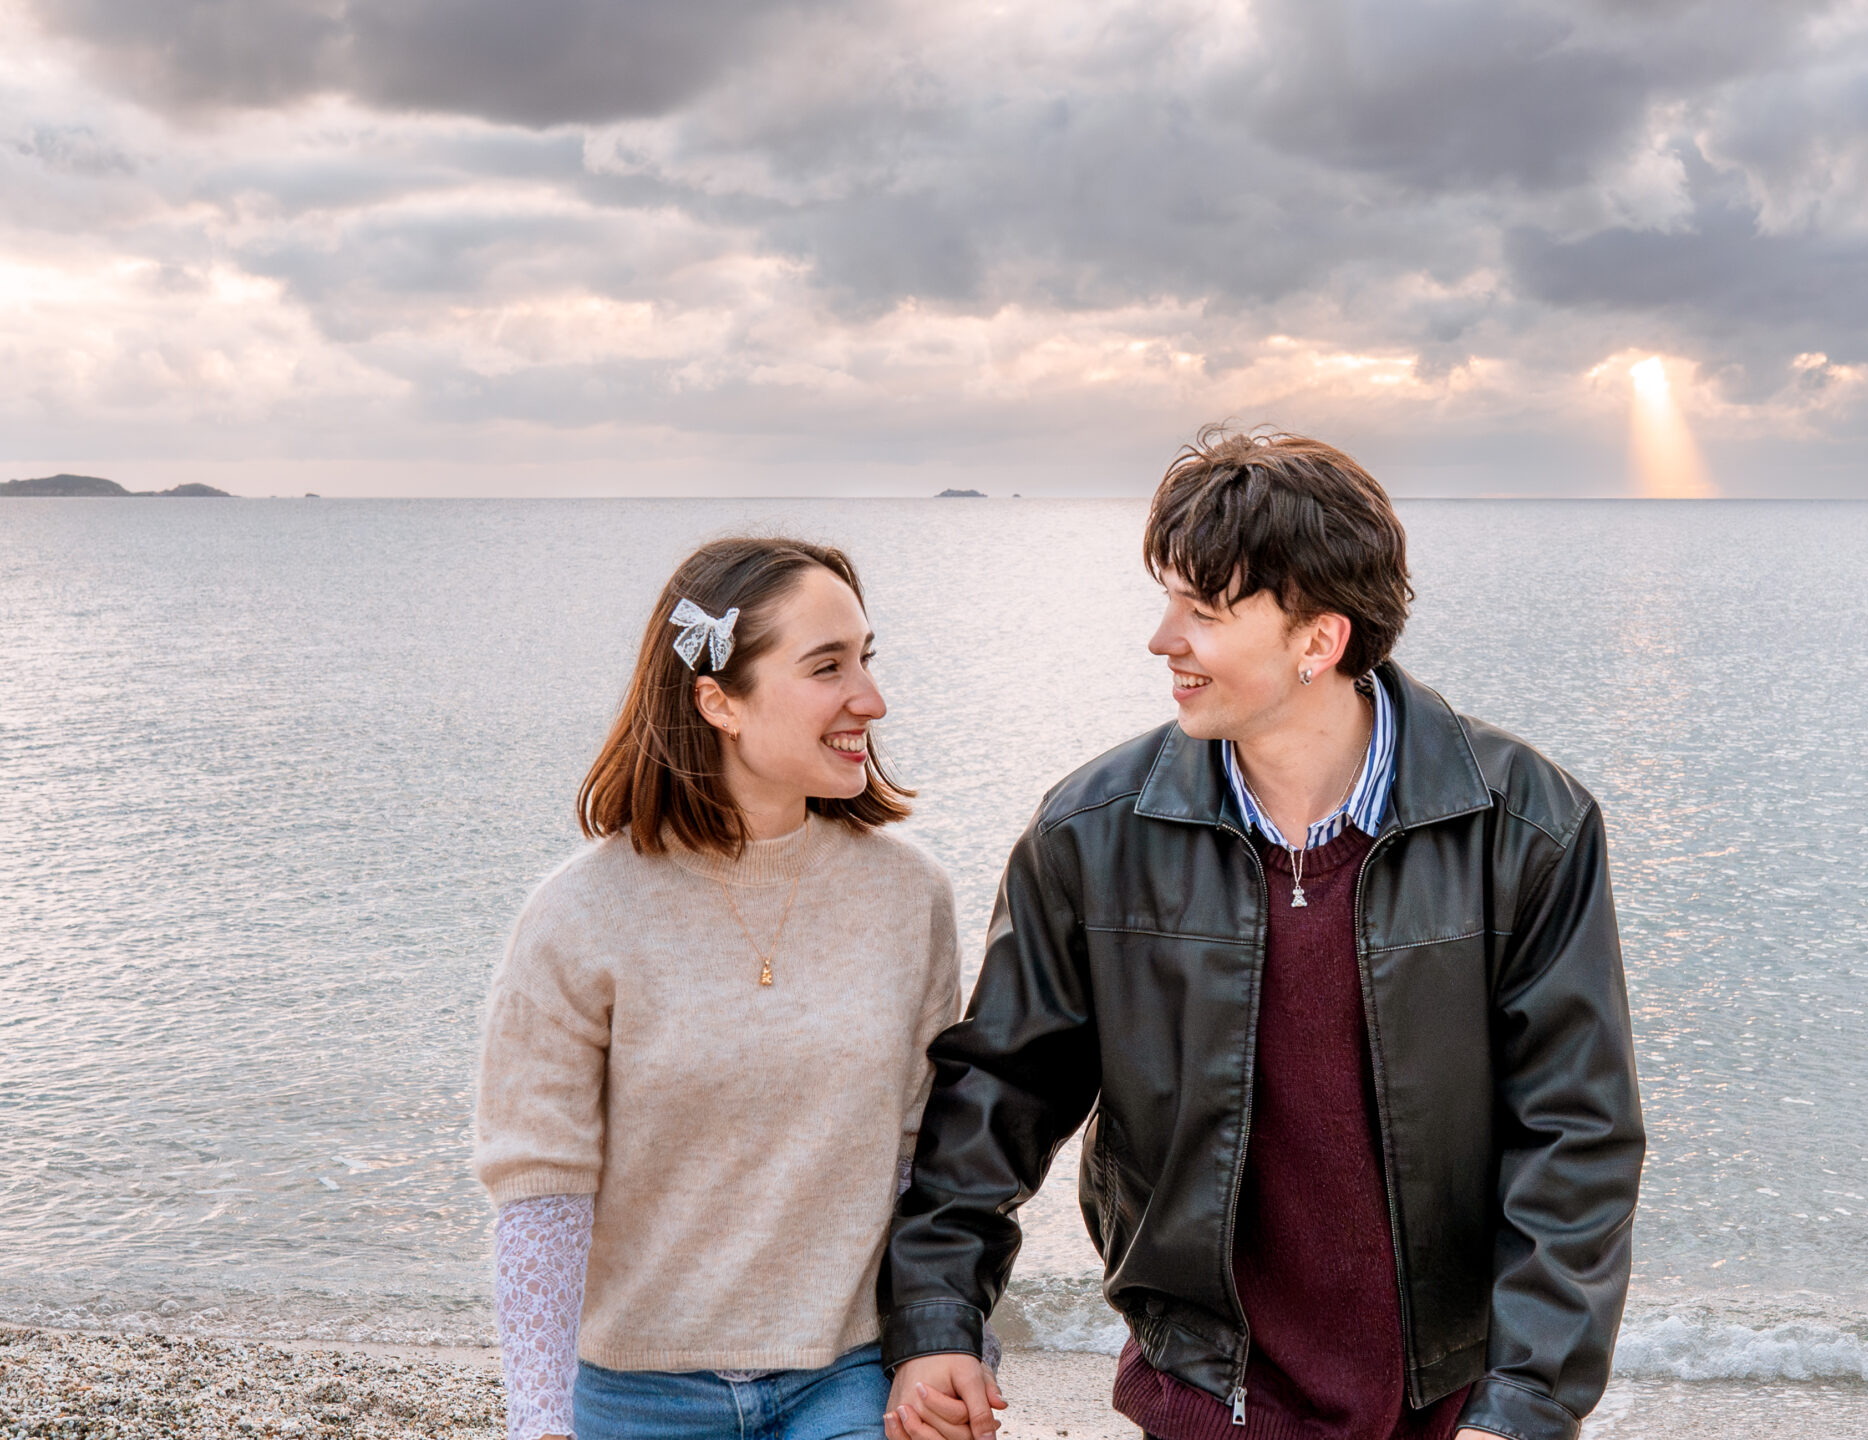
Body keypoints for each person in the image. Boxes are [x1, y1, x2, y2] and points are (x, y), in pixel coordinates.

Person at [878, 429, 1645, 1440]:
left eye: (1204, 611)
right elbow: (998, 1097)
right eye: (1168, 604)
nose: (1163, 640)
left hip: (1459, 1409)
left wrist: (1527, 1401)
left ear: (1317, 641)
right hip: (1208, 1395)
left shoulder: (1524, 826)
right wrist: (938, 1320)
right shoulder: (1091, 834)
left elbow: (1576, 1136)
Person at [475, 536, 968, 1440]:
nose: (872, 698)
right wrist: (541, 1421)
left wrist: (940, 1355)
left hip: (847, 1381)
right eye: (828, 667)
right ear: (718, 700)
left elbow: (925, 1164)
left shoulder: (910, 898)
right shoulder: (578, 913)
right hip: (633, 1395)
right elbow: (542, 1188)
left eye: (867, 658)